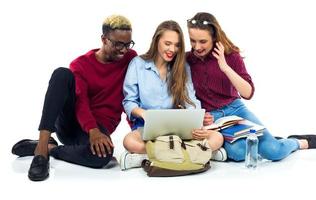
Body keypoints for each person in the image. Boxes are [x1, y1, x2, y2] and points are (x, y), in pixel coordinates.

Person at [185, 12, 316, 162]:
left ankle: (297, 142)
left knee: (274, 151)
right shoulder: (187, 59)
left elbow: (248, 93)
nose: (197, 47)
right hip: (211, 118)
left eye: (203, 41)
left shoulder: (231, 56)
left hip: (236, 110)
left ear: (214, 38)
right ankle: (226, 146)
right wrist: (198, 115)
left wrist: (225, 67)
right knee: (240, 153)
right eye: (192, 41)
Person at [11, 14, 137, 181]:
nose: (123, 50)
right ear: (104, 39)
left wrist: (137, 130)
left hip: (100, 127)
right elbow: (81, 102)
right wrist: (93, 131)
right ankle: (41, 151)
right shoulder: (81, 64)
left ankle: (51, 148)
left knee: (103, 157)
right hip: (72, 123)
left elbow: (133, 94)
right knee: (62, 74)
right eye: (118, 44)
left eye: (128, 44)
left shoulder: (130, 58)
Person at [119, 20, 224, 171]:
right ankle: (199, 153)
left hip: (176, 129)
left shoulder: (182, 67)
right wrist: (145, 114)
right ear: (156, 41)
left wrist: (197, 119)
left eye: (177, 45)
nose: (172, 49)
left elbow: (190, 99)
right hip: (146, 127)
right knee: (129, 141)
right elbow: (129, 102)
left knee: (217, 138)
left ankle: (147, 157)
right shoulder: (138, 64)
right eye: (167, 43)